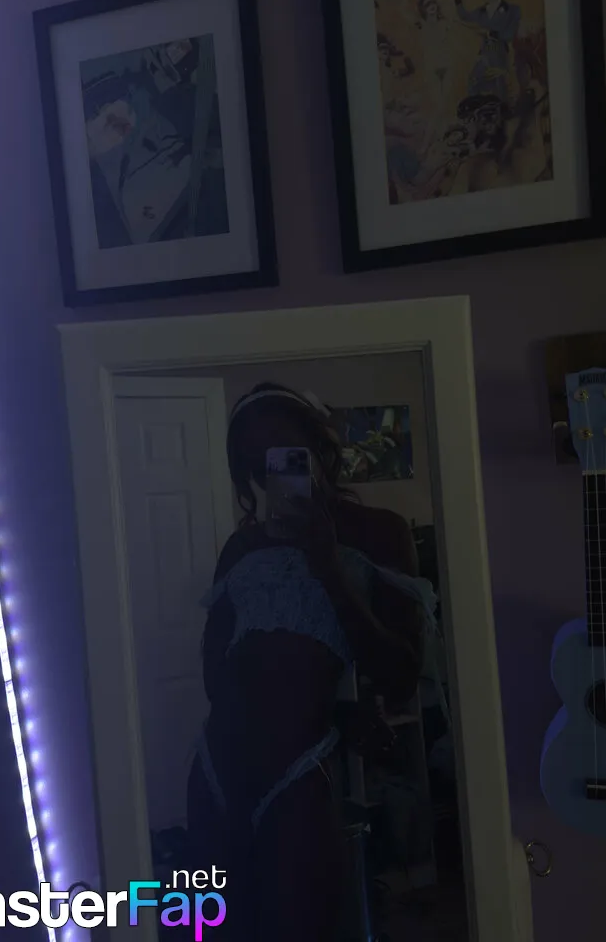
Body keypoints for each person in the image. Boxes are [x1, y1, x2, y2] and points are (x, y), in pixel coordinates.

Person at [184, 383, 436, 941]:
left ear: (318, 447)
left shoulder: (381, 533)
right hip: (216, 769)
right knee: (211, 934)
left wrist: (326, 563)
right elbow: (214, 674)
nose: (271, 471)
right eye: (255, 462)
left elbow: (400, 674)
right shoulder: (242, 548)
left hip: (298, 774)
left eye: (282, 452)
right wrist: (339, 711)